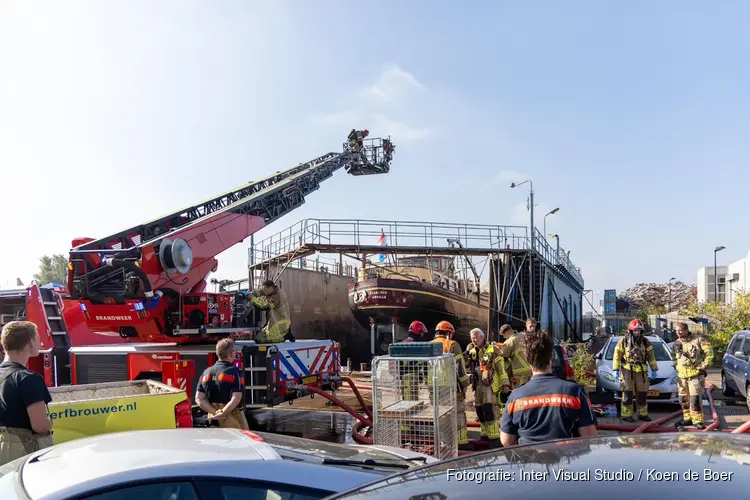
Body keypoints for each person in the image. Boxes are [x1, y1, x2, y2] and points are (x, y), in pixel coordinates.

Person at [500, 329, 598, 446]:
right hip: (567, 460)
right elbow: (590, 438)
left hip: (529, 461)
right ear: (551, 356)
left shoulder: (515, 398)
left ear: (527, 360)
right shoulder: (574, 392)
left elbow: (506, 441)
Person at [0, 321, 54, 465]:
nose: (40, 342)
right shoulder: (28, 378)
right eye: (38, 338)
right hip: (23, 453)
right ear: (30, 342)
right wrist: (49, 424)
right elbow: (40, 426)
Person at [465, 328, 509, 448]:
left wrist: (505, 384)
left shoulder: (493, 349)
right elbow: (466, 365)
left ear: (482, 337)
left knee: (489, 409)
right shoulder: (472, 350)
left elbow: (501, 368)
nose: (473, 340)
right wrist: (467, 353)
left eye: (475, 337)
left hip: (489, 384)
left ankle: (494, 436)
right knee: (479, 409)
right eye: (471, 338)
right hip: (477, 384)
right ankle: (484, 433)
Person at [431, 321, 470, 447]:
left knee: (441, 414)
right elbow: (460, 368)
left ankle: (444, 442)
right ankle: (461, 442)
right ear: (448, 333)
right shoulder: (452, 345)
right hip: (451, 386)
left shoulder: (428, 345)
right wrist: (465, 384)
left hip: (434, 387)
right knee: (458, 413)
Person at [195, 339, 249, 429]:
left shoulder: (206, 373)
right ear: (232, 354)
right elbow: (236, 398)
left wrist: (215, 412)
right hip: (233, 416)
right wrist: (223, 413)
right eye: (235, 351)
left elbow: (199, 399)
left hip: (213, 417)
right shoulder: (235, 372)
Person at [612, 319, 658, 422]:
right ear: (630, 331)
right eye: (635, 330)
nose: (637, 332)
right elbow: (617, 356)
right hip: (627, 371)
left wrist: (654, 369)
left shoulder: (646, 342)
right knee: (627, 394)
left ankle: (642, 414)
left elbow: (651, 357)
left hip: (641, 372)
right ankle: (626, 415)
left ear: (641, 331)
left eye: (639, 330)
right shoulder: (623, 341)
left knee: (642, 393)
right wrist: (615, 369)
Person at [672, 322, 714, 429]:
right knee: (683, 400)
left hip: (695, 375)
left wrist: (704, 365)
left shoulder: (698, 340)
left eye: (680, 331)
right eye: (677, 331)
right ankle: (687, 418)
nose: (678, 333)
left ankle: (697, 420)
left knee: (695, 399)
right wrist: (676, 367)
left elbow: (710, 353)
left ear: (686, 330)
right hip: (681, 377)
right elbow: (673, 357)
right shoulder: (676, 343)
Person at [399, 321, 428, 402]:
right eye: (422, 333)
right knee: (412, 402)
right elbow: (422, 362)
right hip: (413, 377)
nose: (423, 335)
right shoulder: (418, 345)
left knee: (406, 400)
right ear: (418, 332)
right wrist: (425, 376)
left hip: (403, 377)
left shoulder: (402, 344)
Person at [501, 319, 533, 389]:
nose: (504, 337)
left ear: (507, 332)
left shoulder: (509, 342)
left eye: (503, 335)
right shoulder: (524, 335)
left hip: (520, 372)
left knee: (520, 392)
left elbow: (504, 356)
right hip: (531, 369)